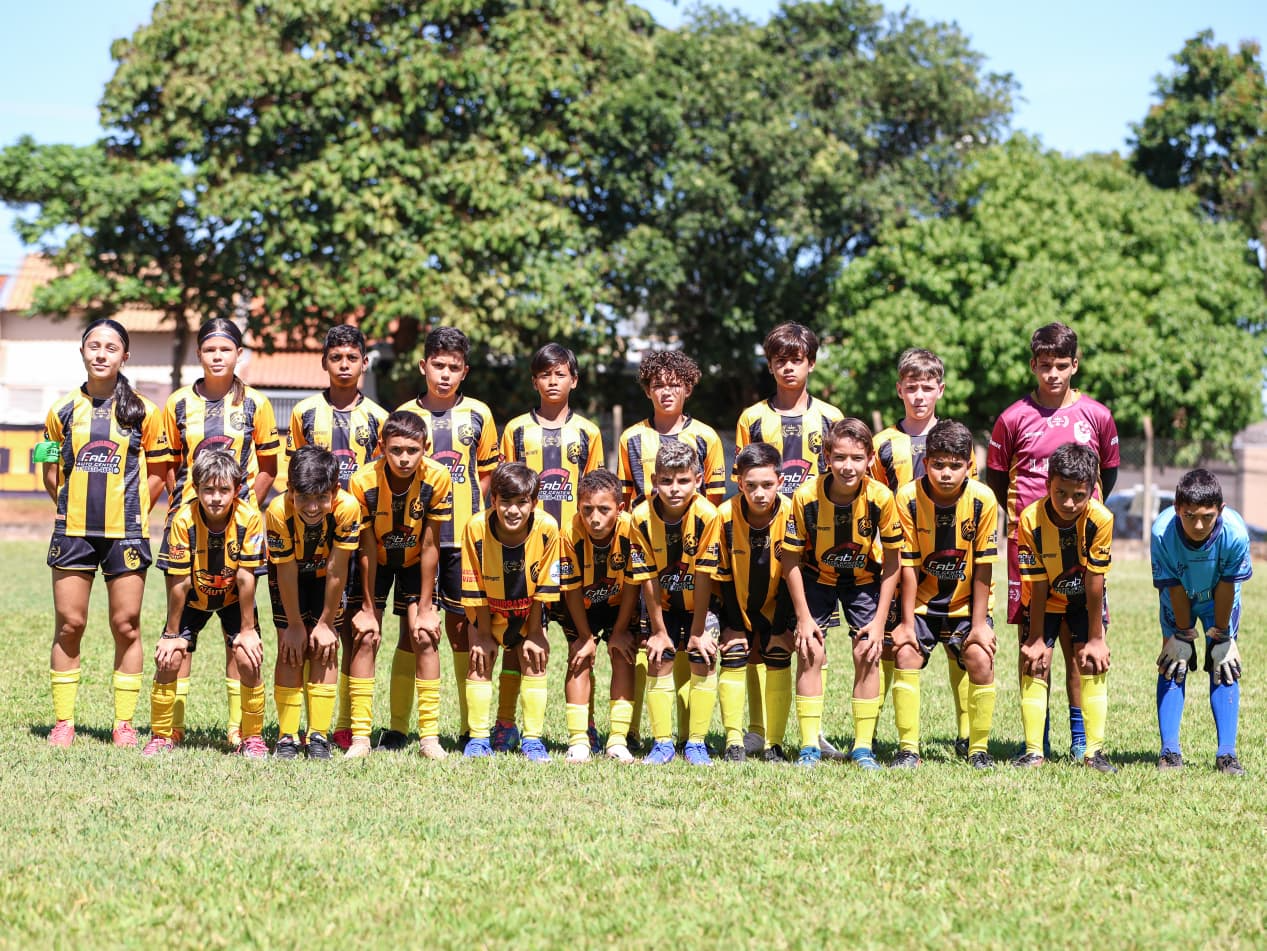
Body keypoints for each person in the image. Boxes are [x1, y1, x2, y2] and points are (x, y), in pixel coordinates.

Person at [987, 322, 1118, 761]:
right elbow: (997, 477)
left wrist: (1078, 513)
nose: (1054, 375)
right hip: (1028, 538)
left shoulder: (1097, 415)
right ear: (1033, 366)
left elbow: (1109, 475)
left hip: (1082, 542)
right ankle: (1036, 740)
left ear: (1075, 364)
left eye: (1062, 365)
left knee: (1079, 640)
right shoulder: (1012, 418)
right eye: (1045, 366)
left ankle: (1081, 738)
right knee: (1035, 634)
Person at [40, 318, 167, 748]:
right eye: (93, 345)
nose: (101, 353)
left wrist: (131, 511)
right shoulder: (60, 411)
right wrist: (70, 506)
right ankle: (63, 721)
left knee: (126, 625)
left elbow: (162, 474)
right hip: (73, 532)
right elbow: (50, 472)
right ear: (81, 352)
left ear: (124, 356)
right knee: (70, 624)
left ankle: (124, 723)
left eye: (110, 347)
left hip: (126, 535)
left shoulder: (145, 413)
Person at [159, 316, 280, 747]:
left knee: (241, 639)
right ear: (199, 353)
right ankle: (169, 730)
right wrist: (182, 503)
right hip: (190, 525)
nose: (217, 356)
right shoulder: (176, 404)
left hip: (238, 526)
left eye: (225, 349)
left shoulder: (256, 405)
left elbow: (268, 467)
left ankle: (240, 731)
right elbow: (167, 464)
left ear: (238, 354)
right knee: (179, 634)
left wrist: (245, 506)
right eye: (209, 349)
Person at [734, 321, 844, 759]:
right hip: (764, 544)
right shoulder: (753, 418)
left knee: (810, 640)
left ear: (811, 363)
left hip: (816, 550)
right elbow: (744, 481)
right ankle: (760, 729)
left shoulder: (831, 418)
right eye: (780, 360)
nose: (788, 367)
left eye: (796, 359)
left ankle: (811, 733)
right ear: (769, 364)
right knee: (762, 640)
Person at [394, 326, 499, 750]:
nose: (444, 374)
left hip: (461, 542)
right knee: (411, 631)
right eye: (437, 365)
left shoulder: (479, 414)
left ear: (464, 372)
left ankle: (471, 731)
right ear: (423, 366)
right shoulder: (403, 415)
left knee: (461, 630)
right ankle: (401, 728)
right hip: (414, 541)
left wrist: (472, 516)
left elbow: (487, 471)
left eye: (453, 367)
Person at [617, 348, 726, 753]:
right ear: (647, 389)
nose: (666, 391)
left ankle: (692, 737)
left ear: (688, 387)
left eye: (674, 384)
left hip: (698, 560)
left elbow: (712, 503)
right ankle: (653, 737)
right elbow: (627, 503)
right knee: (657, 652)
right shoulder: (630, 438)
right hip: (651, 560)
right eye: (658, 384)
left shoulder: (707, 437)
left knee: (699, 650)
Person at [496, 343, 603, 752]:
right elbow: (507, 488)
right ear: (534, 381)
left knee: (582, 640)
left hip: (575, 552)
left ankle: (585, 726)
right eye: (546, 374)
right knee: (515, 640)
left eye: (561, 374)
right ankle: (507, 724)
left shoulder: (588, 432)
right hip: (524, 552)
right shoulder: (516, 430)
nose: (553, 380)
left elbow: (596, 492)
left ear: (574, 380)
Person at [871, 347, 977, 757]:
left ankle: (967, 734)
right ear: (899, 390)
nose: (919, 395)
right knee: (892, 646)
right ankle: (876, 733)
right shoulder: (883, 444)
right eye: (911, 387)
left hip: (948, 561)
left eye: (927, 388)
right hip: (897, 560)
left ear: (941, 390)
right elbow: (874, 498)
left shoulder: (957, 441)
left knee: (958, 649)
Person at [288, 324, 389, 751]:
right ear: (324, 362)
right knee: (314, 634)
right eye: (336, 358)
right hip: (314, 536)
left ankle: (351, 726)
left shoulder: (380, 418)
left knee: (359, 632)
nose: (344, 365)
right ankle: (313, 727)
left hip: (363, 538)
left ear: (364, 363)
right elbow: (295, 477)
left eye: (352, 358)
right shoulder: (305, 414)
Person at [782, 419, 902, 769]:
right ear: (827, 458)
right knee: (809, 651)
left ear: (869, 460)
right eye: (840, 458)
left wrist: (880, 622)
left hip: (863, 578)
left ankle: (863, 747)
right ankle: (808, 747)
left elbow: (894, 561)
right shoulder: (806, 496)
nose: (848, 466)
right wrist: (803, 618)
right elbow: (790, 558)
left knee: (868, 651)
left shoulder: (880, 497)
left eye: (857, 458)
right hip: (816, 577)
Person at [143, 449, 267, 757]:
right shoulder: (182, 519)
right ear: (196, 489)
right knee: (170, 659)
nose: (216, 498)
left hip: (233, 598)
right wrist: (171, 635)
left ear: (237, 490)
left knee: (248, 657)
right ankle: (162, 734)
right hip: (193, 597)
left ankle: (252, 737)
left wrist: (248, 630)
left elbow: (246, 577)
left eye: (224, 490)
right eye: (208, 489)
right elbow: (179, 581)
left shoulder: (249, 517)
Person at [892, 420, 999, 770]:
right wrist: (907, 623)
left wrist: (980, 625)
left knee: (980, 657)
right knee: (905, 654)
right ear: (926, 464)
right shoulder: (907, 497)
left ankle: (978, 749)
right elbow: (906, 565)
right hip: (922, 604)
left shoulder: (983, 500)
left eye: (955, 465)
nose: (947, 473)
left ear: (970, 465)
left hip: (967, 604)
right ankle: (908, 750)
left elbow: (984, 566)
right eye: (939, 464)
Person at [346, 411, 452, 758]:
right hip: (373, 561)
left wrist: (425, 607)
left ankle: (429, 739)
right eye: (395, 450)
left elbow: (430, 544)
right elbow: (365, 548)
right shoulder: (363, 481)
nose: (404, 458)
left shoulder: (438, 478)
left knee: (423, 635)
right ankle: (360, 739)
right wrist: (366, 608)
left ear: (426, 448)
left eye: (412, 450)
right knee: (365, 636)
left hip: (412, 562)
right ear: (381, 448)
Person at [1014, 443, 1116, 772]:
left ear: (1092, 492)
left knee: (1091, 662)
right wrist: (1036, 640)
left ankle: (1091, 750)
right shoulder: (1030, 520)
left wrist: (1097, 638)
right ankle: (1034, 750)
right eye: (1061, 493)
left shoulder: (1101, 519)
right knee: (1035, 663)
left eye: (1079, 495)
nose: (1069, 503)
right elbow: (1038, 584)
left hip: (1083, 600)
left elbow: (1095, 582)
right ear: (1047, 485)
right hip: (1044, 600)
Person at [627, 441, 723, 766]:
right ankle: (662, 743)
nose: (674, 488)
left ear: (698, 480)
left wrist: (698, 631)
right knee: (659, 658)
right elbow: (647, 578)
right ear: (654, 481)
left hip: (700, 603)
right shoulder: (639, 517)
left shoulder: (708, 515)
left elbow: (706, 575)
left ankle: (696, 742)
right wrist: (657, 629)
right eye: (666, 480)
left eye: (683, 480)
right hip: (661, 605)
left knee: (703, 656)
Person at [461, 462, 563, 762]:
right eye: (505, 502)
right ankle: (478, 738)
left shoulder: (547, 528)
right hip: (486, 613)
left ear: (534, 503)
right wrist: (481, 633)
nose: (513, 511)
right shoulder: (476, 527)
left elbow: (545, 584)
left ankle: (532, 739)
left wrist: (534, 633)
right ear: (494, 501)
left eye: (522, 503)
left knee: (534, 661)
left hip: (528, 610)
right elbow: (474, 583)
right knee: (479, 661)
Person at [1152, 468, 1252, 775]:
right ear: (1176, 509)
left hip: (1218, 600)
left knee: (1224, 663)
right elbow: (1174, 587)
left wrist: (1222, 635)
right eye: (1189, 515)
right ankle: (1170, 751)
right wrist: (1182, 634)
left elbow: (1226, 585)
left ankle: (1227, 754)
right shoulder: (1162, 532)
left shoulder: (1235, 533)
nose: (1198, 525)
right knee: (1174, 662)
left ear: (1220, 510)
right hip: (1179, 592)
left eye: (1207, 517)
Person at [266, 445, 362, 761]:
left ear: (335, 491)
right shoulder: (278, 511)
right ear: (290, 490)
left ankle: (318, 734)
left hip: (327, 579)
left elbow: (337, 570)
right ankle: (287, 736)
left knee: (324, 648)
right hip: (290, 576)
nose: (311, 507)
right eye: (303, 497)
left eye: (321, 498)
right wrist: (294, 625)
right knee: (291, 649)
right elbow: (286, 569)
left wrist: (324, 623)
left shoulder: (348, 508)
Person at [713, 442, 795, 762]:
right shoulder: (724, 516)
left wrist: (780, 627)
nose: (759, 493)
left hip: (780, 602)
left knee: (776, 651)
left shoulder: (792, 512)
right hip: (736, 603)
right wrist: (734, 626)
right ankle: (734, 741)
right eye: (751, 486)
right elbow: (723, 577)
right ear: (739, 482)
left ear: (780, 481)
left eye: (767, 485)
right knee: (735, 652)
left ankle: (774, 743)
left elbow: (793, 576)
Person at [559, 469, 641, 762]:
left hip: (622, 604)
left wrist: (620, 631)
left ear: (619, 509)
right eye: (587, 509)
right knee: (579, 659)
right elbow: (570, 589)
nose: (594, 518)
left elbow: (633, 585)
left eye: (604, 510)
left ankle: (618, 740)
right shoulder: (569, 532)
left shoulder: (633, 529)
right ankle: (579, 740)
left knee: (622, 654)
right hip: (582, 606)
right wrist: (584, 636)